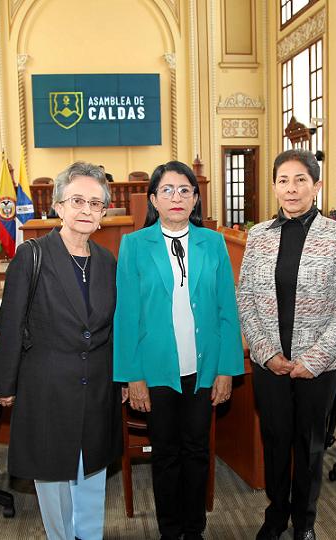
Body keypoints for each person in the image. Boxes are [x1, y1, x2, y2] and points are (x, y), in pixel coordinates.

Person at [114, 161, 244, 540]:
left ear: (195, 198)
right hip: (156, 371)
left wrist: (226, 369)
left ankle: (195, 529)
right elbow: (126, 316)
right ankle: (170, 530)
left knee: (197, 451)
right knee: (166, 455)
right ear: (153, 199)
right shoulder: (134, 245)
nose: (176, 197)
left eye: (184, 190)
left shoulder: (214, 242)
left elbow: (226, 310)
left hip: (203, 369)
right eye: (167, 190)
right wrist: (131, 375)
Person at [0, 161, 121, 540]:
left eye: (95, 204)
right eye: (77, 200)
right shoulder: (32, 256)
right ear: (59, 206)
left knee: (93, 474)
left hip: (97, 387)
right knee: (53, 479)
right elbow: (11, 324)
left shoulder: (107, 262)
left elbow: (112, 327)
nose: (86, 210)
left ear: (103, 213)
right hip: (46, 387)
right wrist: (5, 384)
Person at [237, 149, 336, 540]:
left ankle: (305, 521)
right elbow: (247, 298)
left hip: (317, 367)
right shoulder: (258, 236)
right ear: (274, 186)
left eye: (301, 180)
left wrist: (315, 359)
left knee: (309, 446)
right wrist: (266, 352)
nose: (291, 188)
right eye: (283, 180)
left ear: (317, 186)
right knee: (275, 441)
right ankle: (276, 515)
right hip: (271, 362)